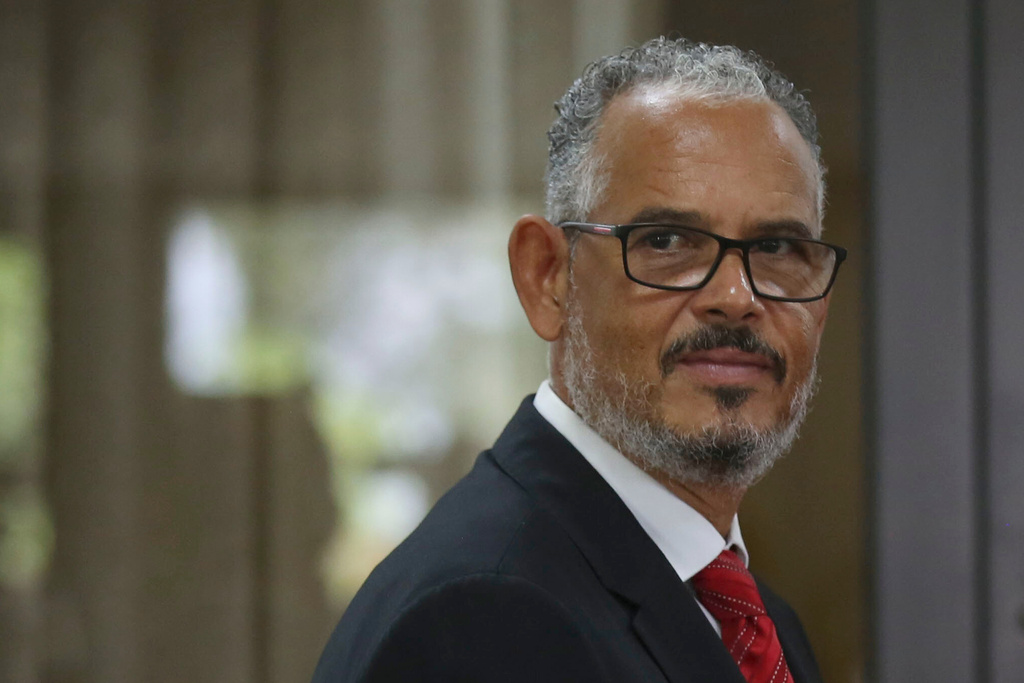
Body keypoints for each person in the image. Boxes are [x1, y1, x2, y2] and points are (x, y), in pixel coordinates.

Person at [311, 36, 845, 683]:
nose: (737, 297)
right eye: (667, 240)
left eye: (779, 247)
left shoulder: (761, 626)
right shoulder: (484, 620)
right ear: (548, 277)